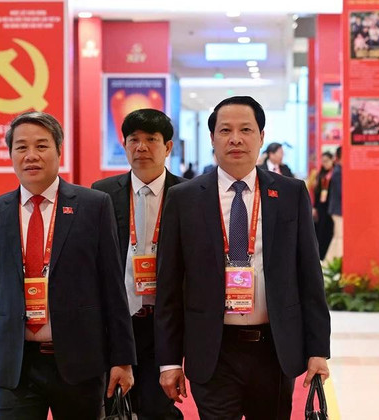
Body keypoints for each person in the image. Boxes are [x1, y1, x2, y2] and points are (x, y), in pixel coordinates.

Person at [155, 96, 331, 419]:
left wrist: (318, 349)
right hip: (213, 348)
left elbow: (310, 276)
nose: (235, 138)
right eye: (225, 130)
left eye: (246, 129)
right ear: (212, 139)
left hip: (274, 349)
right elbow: (168, 286)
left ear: (261, 137)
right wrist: (168, 361)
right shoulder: (184, 199)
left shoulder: (291, 194)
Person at [0, 111, 136, 419]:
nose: (31, 155)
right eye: (21, 147)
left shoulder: (93, 206)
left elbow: (113, 287)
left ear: (59, 151)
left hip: (79, 363)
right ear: (11, 155)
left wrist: (122, 359)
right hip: (15, 366)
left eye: (41, 146)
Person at [91, 109, 184, 420]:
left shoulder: (187, 195)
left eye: (151, 140)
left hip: (165, 323)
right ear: (124, 144)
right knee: (113, 405)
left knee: (158, 407)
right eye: (134, 140)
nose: (141, 147)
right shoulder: (101, 193)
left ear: (168, 147)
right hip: (119, 321)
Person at [313, 152, 335, 259]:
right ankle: (320, 255)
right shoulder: (321, 174)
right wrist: (314, 207)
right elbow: (316, 193)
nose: (325, 164)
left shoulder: (335, 174)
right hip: (321, 207)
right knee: (320, 231)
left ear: (332, 160)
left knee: (330, 231)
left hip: (331, 206)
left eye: (327, 161)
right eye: (323, 161)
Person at [325, 146, 343, 263]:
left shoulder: (338, 170)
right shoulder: (338, 171)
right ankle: (332, 263)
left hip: (338, 210)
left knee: (338, 237)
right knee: (339, 237)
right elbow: (342, 192)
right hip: (338, 210)